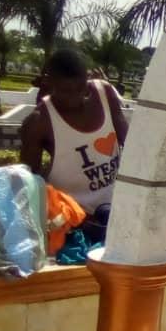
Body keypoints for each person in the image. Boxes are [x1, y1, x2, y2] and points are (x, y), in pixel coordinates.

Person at [19, 49, 128, 233]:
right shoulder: (39, 122)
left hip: (117, 211)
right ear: (48, 83)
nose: (74, 98)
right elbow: (28, 181)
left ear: (87, 78)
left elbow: (130, 143)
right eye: (65, 91)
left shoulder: (105, 94)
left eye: (80, 89)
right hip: (72, 221)